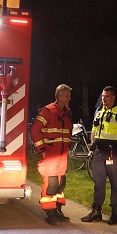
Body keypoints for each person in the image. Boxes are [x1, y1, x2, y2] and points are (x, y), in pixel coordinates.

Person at [81, 86, 117, 225]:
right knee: (99, 182)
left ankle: (115, 212)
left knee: (115, 182)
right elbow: (94, 129)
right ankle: (96, 211)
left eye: (107, 96)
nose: (104, 99)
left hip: (113, 153)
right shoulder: (99, 111)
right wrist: (92, 143)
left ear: (113, 97)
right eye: (103, 96)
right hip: (98, 152)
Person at [30, 84, 72, 225]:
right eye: (67, 96)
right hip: (51, 155)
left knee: (60, 184)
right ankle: (49, 213)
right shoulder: (47, 111)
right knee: (51, 184)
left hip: (62, 155)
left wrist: (69, 146)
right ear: (59, 96)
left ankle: (57, 210)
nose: (69, 99)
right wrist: (42, 150)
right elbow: (35, 131)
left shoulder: (66, 112)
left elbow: (68, 132)